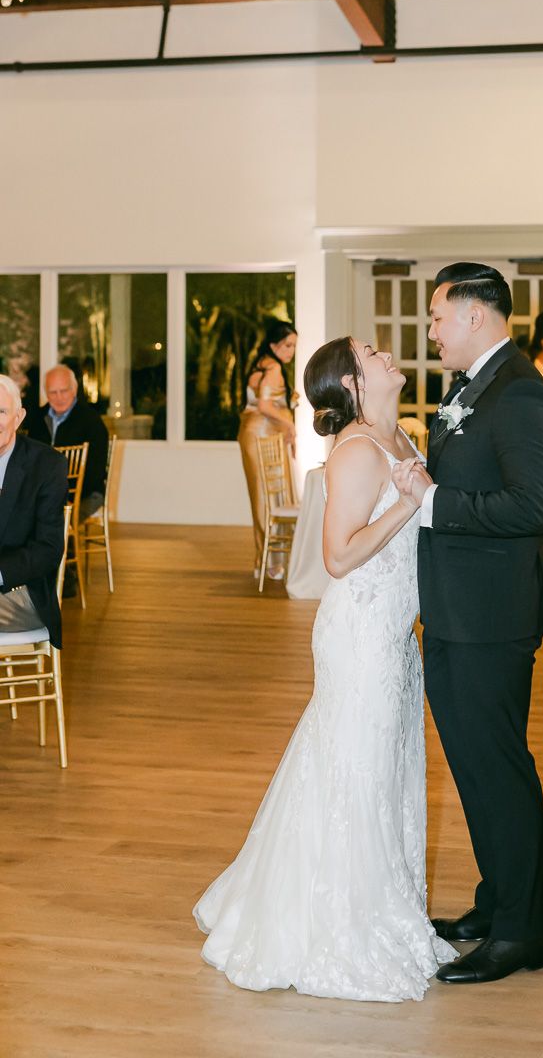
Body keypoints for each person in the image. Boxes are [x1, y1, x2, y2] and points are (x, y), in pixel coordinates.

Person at [194, 337, 456, 1001]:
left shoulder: (401, 435)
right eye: (372, 352)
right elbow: (337, 557)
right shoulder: (359, 451)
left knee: (382, 769)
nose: (388, 353)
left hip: (395, 634)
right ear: (349, 379)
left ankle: (384, 904)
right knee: (356, 772)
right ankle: (342, 923)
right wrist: (407, 503)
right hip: (361, 633)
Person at [392, 262, 543, 985]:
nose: (429, 332)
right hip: (458, 609)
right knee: (477, 770)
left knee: (499, 770)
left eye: (436, 317)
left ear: (475, 316)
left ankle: (520, 936)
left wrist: (434, 504)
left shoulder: (521, 392)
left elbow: (532, 507)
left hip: (491, 616)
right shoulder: (475, 385)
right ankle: (497, 907)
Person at [0, 375, 68, 645]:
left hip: (24, 590)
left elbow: (48, 549)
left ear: (19, 417)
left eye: (1, 412)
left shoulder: (47, 466)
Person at [237, 319, 298, 578]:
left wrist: (287, 405)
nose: (291, 351)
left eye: (294, 346)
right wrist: (289, 424)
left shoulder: (261, 363)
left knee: (262, 496)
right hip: (263, 434)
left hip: (253, 433)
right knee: (271, 496)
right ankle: (272, 563)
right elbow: (264, 406)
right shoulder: (273, 368)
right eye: (287, 345)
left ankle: (263, 560)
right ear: (274, 345)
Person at [26, 365, 109, 520]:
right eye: (53, 392)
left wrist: (69, 495)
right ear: (46, 393)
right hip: (44, 493)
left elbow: (96, 470)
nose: (59, 397)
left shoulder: (91, 420)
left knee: (53, 520)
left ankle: (61, 543)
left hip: (85, 493)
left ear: (74, 389)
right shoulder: (37, 419)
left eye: (64, 391)